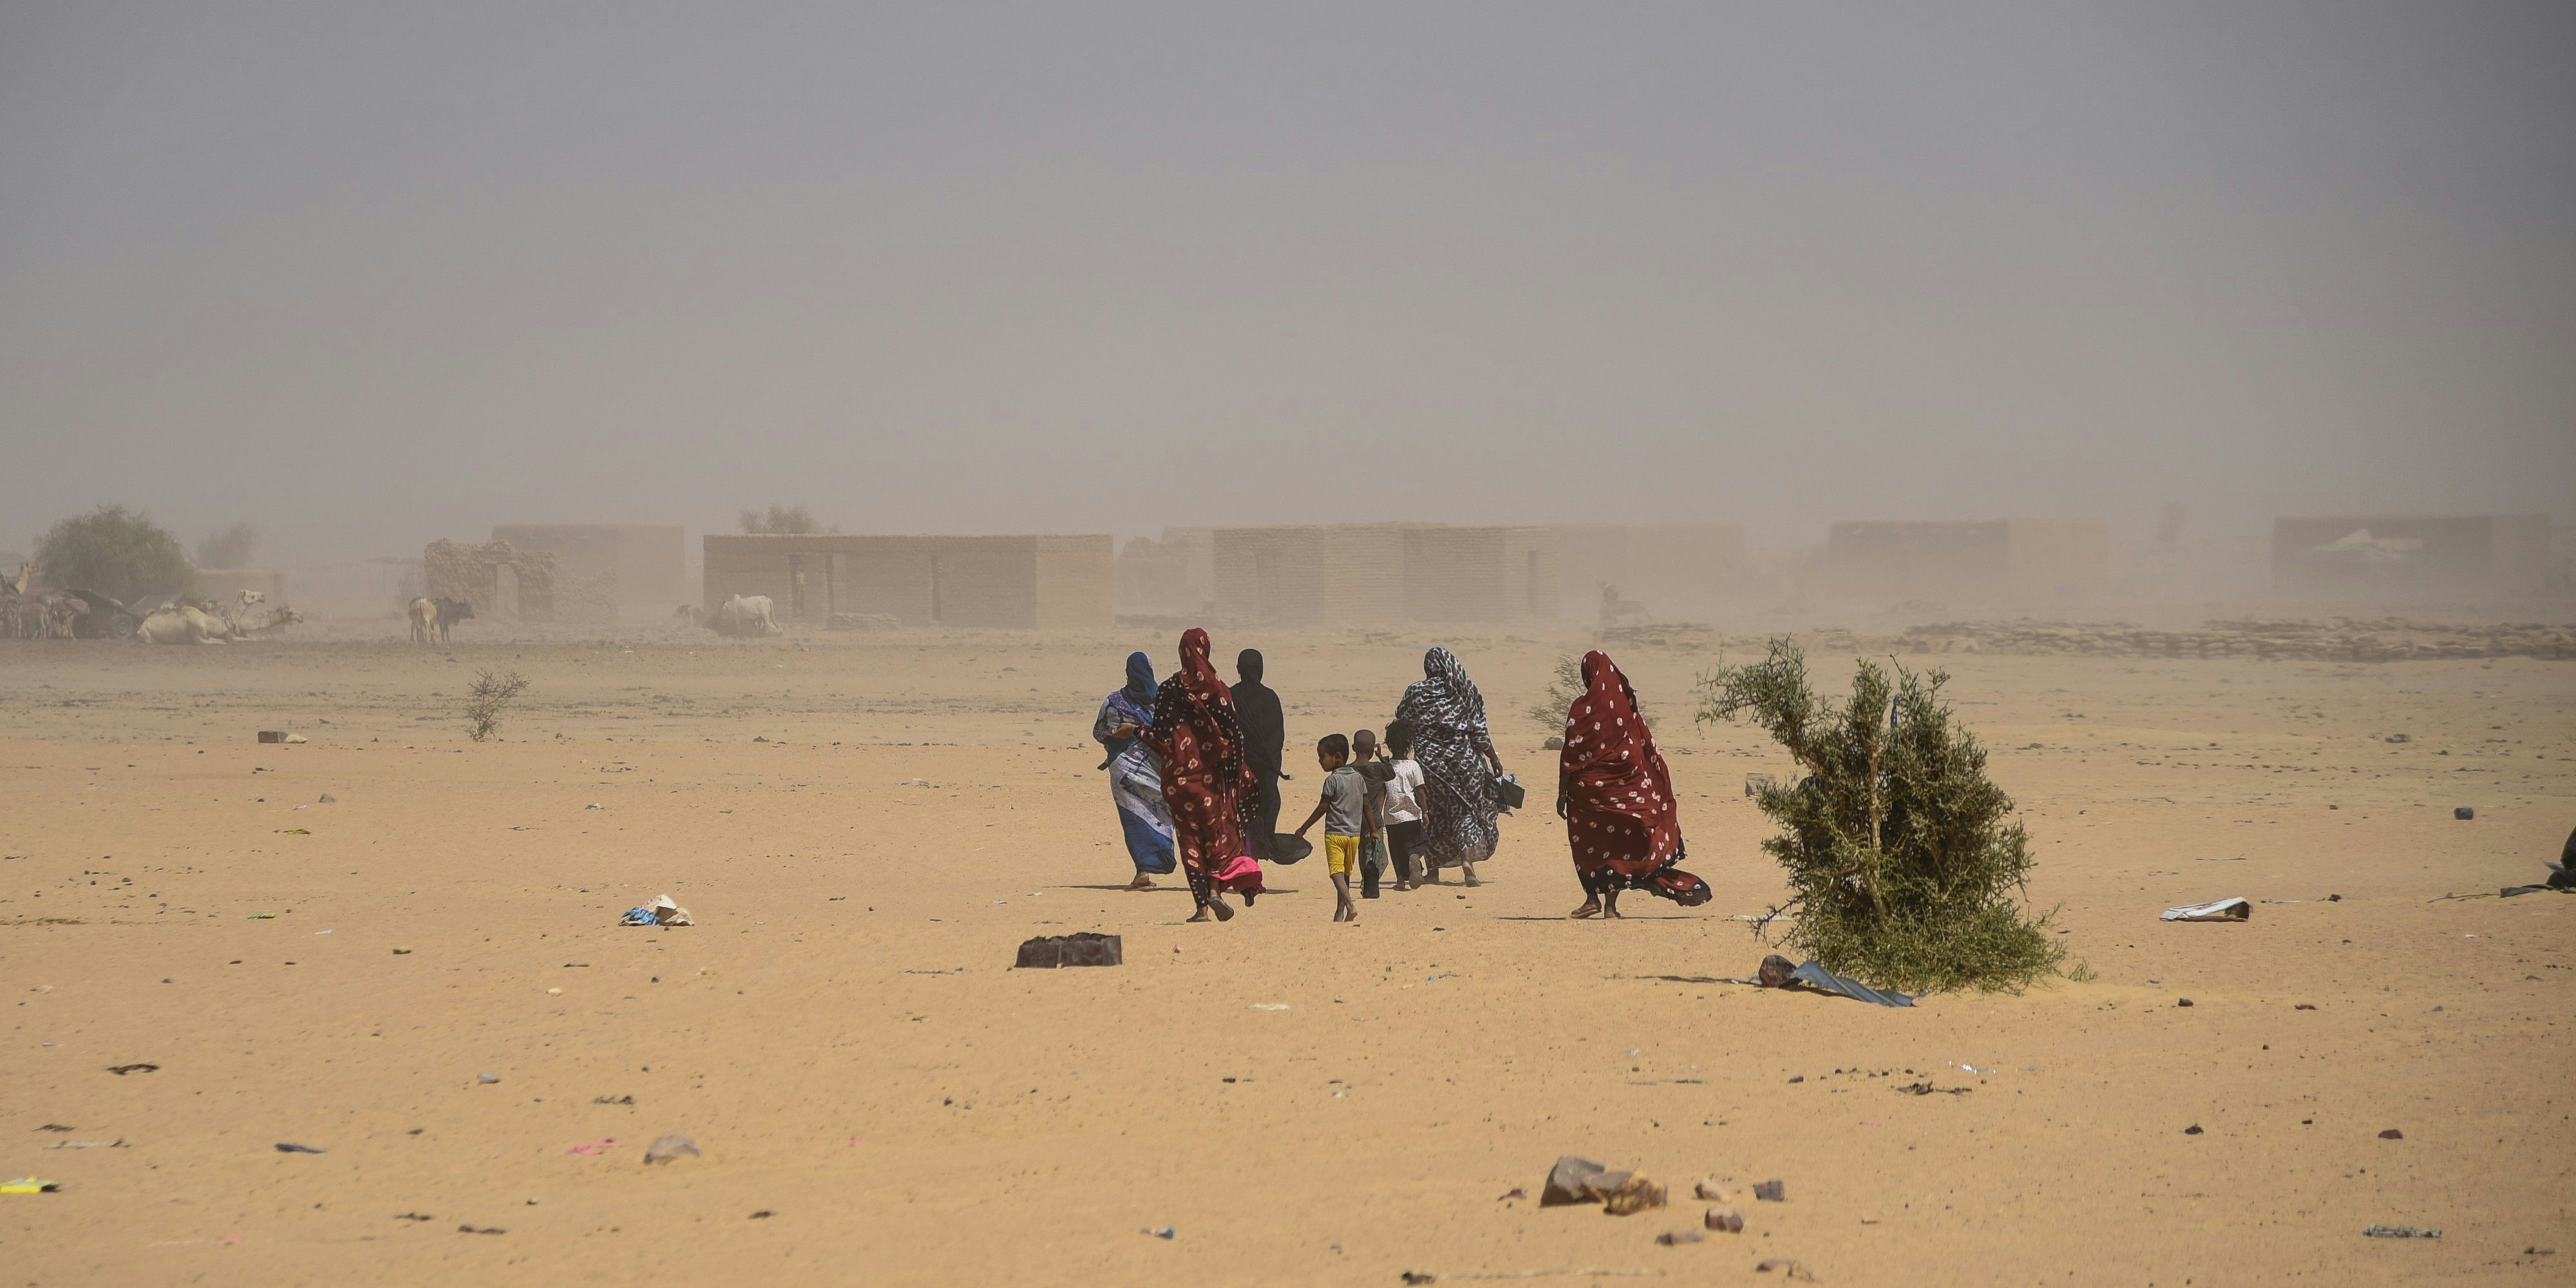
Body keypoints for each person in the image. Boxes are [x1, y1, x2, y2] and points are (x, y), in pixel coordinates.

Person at [1557, 650, 1709, 917]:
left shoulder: (1581, 710)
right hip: (1622, 794)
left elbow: (1570, 754)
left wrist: (1562, 794)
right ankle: (1610, 907)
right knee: (1618, 846)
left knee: (1591, 845)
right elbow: (1640, 753)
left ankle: (1592, 899)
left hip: (1585, 798)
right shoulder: (1625, 711)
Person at [1142, 628, 1265, 922]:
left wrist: (1135, 731)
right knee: (1217, 837)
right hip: (1214, 780)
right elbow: (1235, 736)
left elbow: (1160, 739)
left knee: (1190, 842)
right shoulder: (1218, 688)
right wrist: (1235, 774)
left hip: (1178, 782)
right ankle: (1214, 890)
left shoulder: (1168, 689)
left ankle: (1201, 910)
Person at [1396, 646, 1504, 886]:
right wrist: (1494, 759)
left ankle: (1433, 871)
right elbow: (1480, 732)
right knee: (1465, 813)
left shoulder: (1415, 692)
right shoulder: (1465, 692)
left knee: (1432, 814)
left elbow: (1401, 719)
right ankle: (1467, 863)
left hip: (1429, 767)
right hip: (1464, 765)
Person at [1093, 650, 1175, 891]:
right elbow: (1172, 734)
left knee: (1133, 818)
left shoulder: (1114, 701)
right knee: (1159, 813)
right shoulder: (1164, 701)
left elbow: (1099, 732)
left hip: (1123, 768)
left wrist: (1117, 735)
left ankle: (1143, 870)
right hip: (1156, 769)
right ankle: (1154, 862)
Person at [1292, 733, 1366, 922]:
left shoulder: (1332, 781)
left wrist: (1304, 828)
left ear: (1337, 757)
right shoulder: (1358, 778)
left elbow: (1322, 808)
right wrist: (1373, 830)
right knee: (1345, 874)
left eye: (1323, 756)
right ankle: (1339, 913)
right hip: (1354, 835)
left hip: (1335, 834)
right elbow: (1366, 805)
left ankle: (1350, 905)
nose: (1320, 761)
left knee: (1335, 873)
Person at [1234, 649, 1287, 857]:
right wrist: (1270, 765)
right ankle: (1253, 858)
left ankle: (1247, 859)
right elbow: (1277, 738)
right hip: (1265, 772)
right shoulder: (1270, 698)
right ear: (1261, 669)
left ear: (1239, 669)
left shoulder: (1231, 696)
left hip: (1239, 771)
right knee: (1267, 806)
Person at [1379, 719, 1427, 891]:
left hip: (1392, 817)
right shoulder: (1413, 766)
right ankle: (1415, 856)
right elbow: (1420, 790)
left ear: (1389, 744)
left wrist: (1379, 814)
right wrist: (1425, 811)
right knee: (1417, 843)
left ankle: (1400, 881)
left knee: (1396, 849)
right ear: (1409, 744)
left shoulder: (1386, 767)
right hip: (1412, 815)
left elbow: (1382, 792)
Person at [1351, 727, 1389, 898]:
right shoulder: (1378, 769)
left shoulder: (1349, 770)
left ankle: (1366, 881)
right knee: (1379, 855)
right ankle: (1368, 882)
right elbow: (1391, 774)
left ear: (1353, 748)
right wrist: (1381, 757)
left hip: (1355, 820)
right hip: (1374, 819)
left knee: (1363, 852)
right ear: (1373, 749)